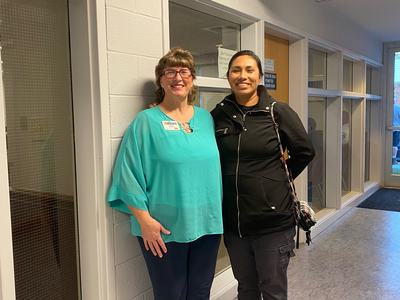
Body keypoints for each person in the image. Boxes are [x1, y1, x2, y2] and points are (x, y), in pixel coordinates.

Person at [107, 47, 223, 300]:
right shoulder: (146, 121)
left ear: (192, 78)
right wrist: (144, 221)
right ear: (161, 80)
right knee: (171, 294)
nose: (177, 77)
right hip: (163, 228)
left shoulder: (205, 119)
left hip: (207, 223)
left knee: (200, 292)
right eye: (170, 72)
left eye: (184, 71)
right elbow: (127, 174)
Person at [211, 50, 315, 300]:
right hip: (235, 223)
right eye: (236, 70)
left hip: (273, 222)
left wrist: (277, 176)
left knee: (272, 291)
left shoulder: (277, 112)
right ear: (228, 77)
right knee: (246, 289)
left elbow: (305, 151)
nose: (242, 76)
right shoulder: (218, 115)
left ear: (259, 77)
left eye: (249, 70)